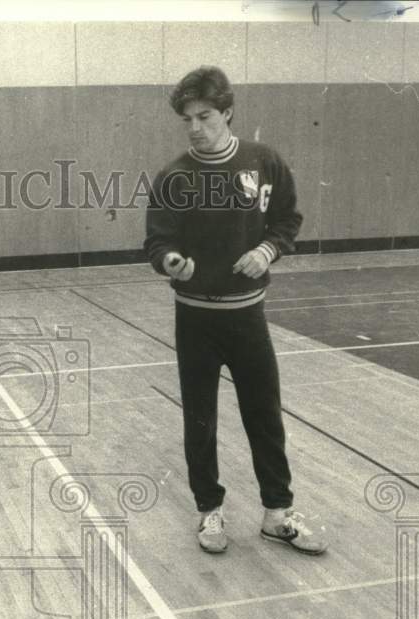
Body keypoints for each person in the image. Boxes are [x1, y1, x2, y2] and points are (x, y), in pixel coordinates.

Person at [144, 66, 327, 556]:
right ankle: (210, 512)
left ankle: (277, 515)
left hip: (248, 318)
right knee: (200, 420)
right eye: (188, 119)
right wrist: (171, 262)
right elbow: (158, 240)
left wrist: (268, 250)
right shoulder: (174, 176)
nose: (195, 127)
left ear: (227, 113)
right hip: (196, 320)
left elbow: (287, 218)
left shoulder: (264, 162)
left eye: (205, 116)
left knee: (264, 416)